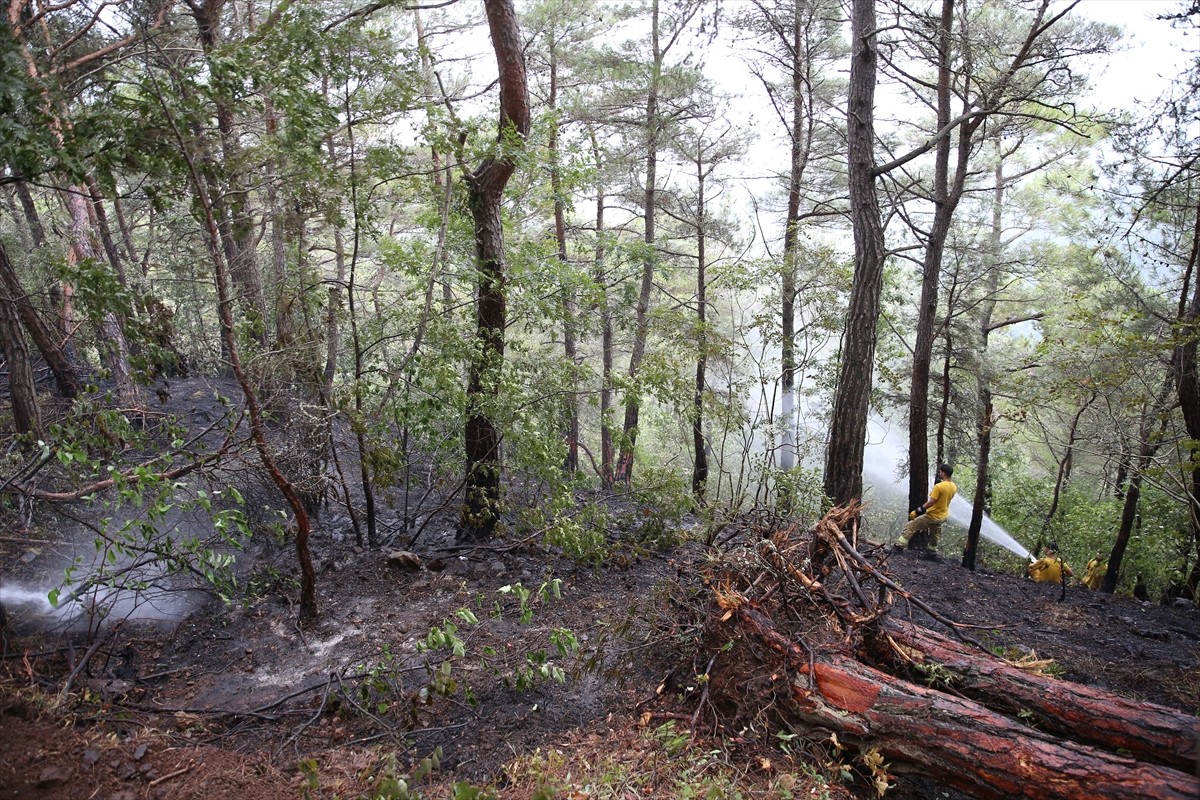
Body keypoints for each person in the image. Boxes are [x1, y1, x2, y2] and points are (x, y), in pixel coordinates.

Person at [891, 464, 957, 561]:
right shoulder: (954, 487)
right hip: (942, 517)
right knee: (935, 535)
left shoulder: (939, 486)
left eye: (940, 472)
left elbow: (932, 501)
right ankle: (932, 553)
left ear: (944, 473)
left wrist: (918, 511)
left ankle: (898, 548)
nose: (939, 473)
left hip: (932, 516)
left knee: (911, 526)